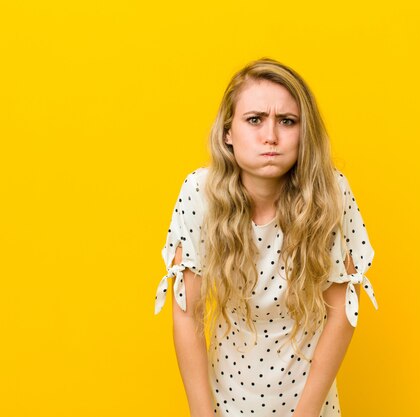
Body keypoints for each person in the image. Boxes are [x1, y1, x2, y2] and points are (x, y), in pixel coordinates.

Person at [153, 57, 378, 417]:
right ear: (228, 132)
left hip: (311, 405)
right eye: (254, 120)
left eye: (287, 121)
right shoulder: (199, 192)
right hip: (225, 404)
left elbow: (343, 311)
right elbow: (187, 312)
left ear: (304, 132)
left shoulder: (330, 192)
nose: (270, 136)